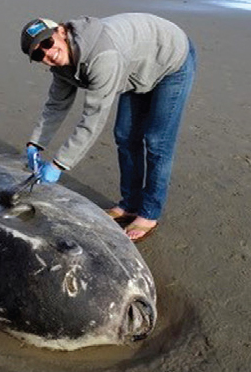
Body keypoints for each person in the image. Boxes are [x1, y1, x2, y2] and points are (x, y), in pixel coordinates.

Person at [19, 13, 196, 243]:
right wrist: (35, 144)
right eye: (38, 54)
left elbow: (93, 118)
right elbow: (56, 105)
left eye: (47, 43)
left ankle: (149, 213)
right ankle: (130, 204)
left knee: (156, 142)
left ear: (62, 32)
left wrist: (58, 165)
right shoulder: (61, 65)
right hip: (136, 68)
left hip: (171, 59)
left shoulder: (102, 56)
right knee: (125, 135)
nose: (47, 53)